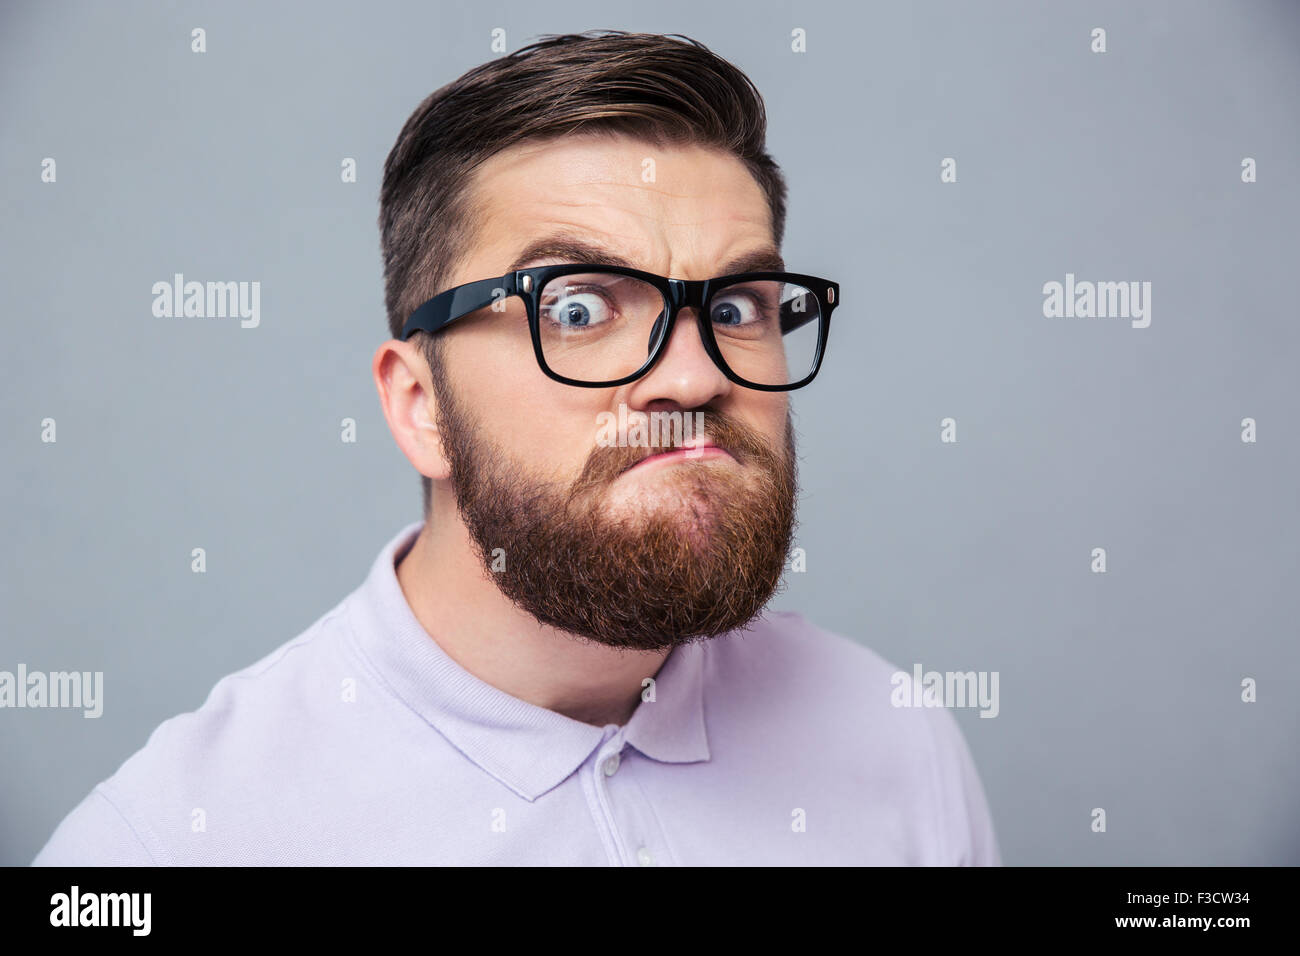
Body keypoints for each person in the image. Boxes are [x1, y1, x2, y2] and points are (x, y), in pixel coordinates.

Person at [34, 30, 999, 866]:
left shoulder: (893, 738)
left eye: (737, 308)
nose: (693, 379)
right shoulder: (165, 845)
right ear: (421, 407)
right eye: (578, 309)